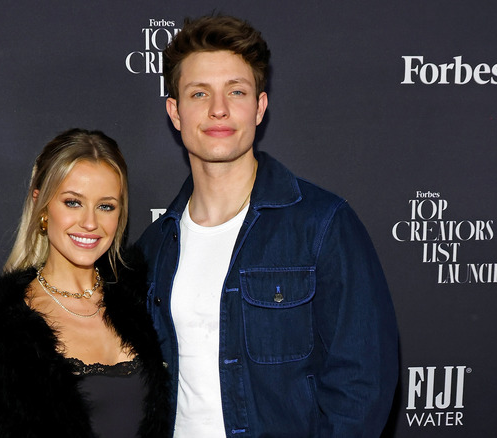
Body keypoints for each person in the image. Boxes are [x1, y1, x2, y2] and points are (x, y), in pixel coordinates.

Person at [136, 15, 399, 437]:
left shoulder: (322, 224)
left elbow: (361, 384)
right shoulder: (154, 247)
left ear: (259, 107)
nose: (218, 108)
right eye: (199, 93)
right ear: (175, 112)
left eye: (236, 92)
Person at [0, 128, 171, 437]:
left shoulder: (146, 297)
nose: (90, 222)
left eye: (106, 206)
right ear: (42, 205)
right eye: (73, 202)